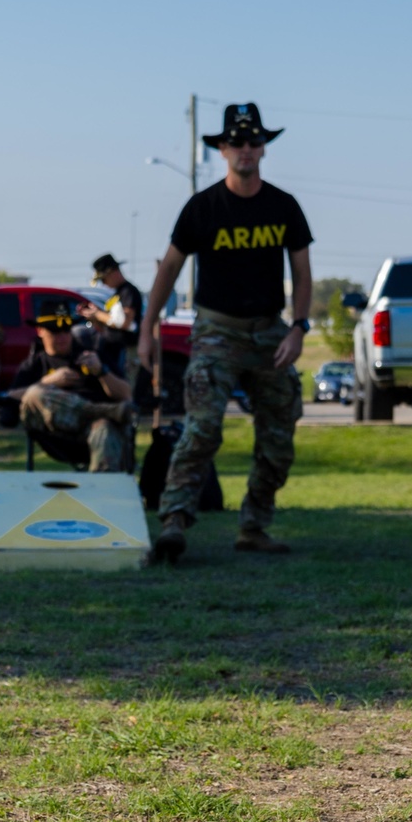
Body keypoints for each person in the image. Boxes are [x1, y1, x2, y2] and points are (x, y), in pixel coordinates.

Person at [137, 102, 313, 563]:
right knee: (202, 429)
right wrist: (146, 329)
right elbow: (169, 269)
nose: (246, 150)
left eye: (254, 141)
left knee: (279, 435)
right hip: (217, 330)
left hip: (270, 332)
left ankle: (253, 527)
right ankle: (174, 523)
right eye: (236, 142)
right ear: (221, 149)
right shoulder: (203, 207)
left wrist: (298, 329)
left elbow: (302, 269)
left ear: (263, 149)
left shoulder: (283, 206)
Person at [6, 310, 133, 470]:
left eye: (66, 331)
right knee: (35, 393)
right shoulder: (34, 364)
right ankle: (99, 410)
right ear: (40, 331)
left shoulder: (92, 355)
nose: (62, 337)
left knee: (105, 429)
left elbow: (127, 396)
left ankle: (103, 491)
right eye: (55, 332)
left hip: (90, 430)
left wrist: (102, 372)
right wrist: (48, 382)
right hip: (54, 432)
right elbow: (10, 397)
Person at [78, 254, 144, 395]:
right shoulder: (118, 294)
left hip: (125, 351)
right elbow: (110, 323)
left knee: (126, 387)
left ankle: (129, 414)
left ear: (113, 272)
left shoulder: (129, 291)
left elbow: (124, 322)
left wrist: (97, 314)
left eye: (103, 279)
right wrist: (94, 318)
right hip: (113, 350)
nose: (103, 283)